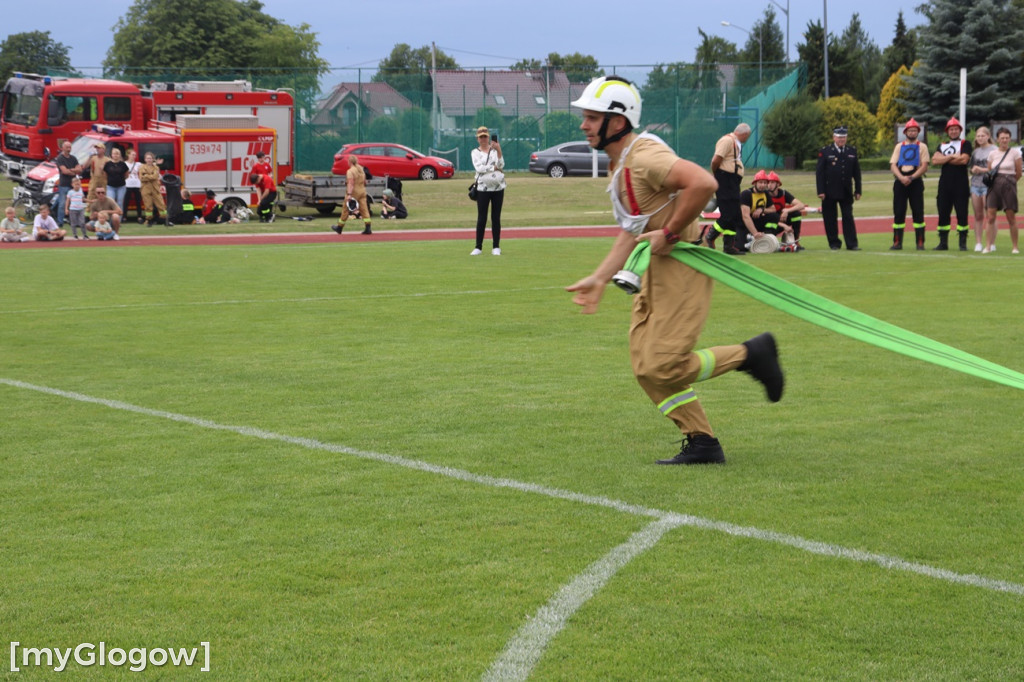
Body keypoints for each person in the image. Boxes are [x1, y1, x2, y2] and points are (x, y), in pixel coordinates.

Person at [565, 75, 784, 466]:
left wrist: (667, 232)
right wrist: (599, 278)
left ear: (616, 122)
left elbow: (702, 182)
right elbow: (632, 228)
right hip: (656, 269)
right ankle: (702, 442)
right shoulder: (623, 162)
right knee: (646, 368)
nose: (583, 124)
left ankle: (752, 354)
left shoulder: (644, 157)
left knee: (662, 364)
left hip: (681, 267)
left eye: (591, 117)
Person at [705, 123, 750, 255]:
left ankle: (728, 246)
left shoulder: (735, 142)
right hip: (725, 179)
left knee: (735, 213)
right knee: (727, 214)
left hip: (732, 181)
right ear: (745, 134)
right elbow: (715, 160)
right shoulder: (726, 141)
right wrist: (716, 175)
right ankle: (710, 236)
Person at [815, 126, 862, 250]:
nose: (842, 140)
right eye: (839, 137)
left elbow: (856, 173)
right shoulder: (825, 151)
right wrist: (820, 191)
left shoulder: (851, 151)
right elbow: (819, 173)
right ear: (834, 137)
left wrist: (858, 190)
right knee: (830, 218)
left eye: (844, 137)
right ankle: (834, 243)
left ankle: (852, 244)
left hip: (846, 190)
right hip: (829, 191)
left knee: (848, 217)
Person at [930, 116, 972, 251]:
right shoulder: (942, 145)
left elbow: (963, 160)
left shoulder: (965, 144)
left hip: (960, 184)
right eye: (951, 129)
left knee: (962, 213)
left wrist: (944, 159)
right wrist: (952, 156)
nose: (953, 131)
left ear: (959, 130)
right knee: (943, 213)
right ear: (947, 131)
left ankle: (962, 242)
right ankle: (943, 242)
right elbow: (935, 161)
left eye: (956, 129)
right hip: (945, 184)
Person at [889, 118, 930, 250]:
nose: (912, 133)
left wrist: (911, 178)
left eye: (914, 130)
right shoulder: (899, 146)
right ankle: (897, 241)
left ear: (918, 132)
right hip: (900, 181)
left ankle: (920, 242)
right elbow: (893, 164)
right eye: (910, 130)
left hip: (916, 181)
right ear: (905, 132)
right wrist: (901, 177)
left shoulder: (922, 146)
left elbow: (924, 166)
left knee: (918, 211)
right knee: (899, 211)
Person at [983, 127, 1022, 254]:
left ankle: (1015, 247)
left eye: (1006, 138)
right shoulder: (992, 154)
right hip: (994, 185)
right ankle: (988, 246)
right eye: (1002, 138)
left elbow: (1018, 172)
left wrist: (1009, 182)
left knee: (1011, 216)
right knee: (990, 216)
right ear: (997, 139)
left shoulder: (1015, 153)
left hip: (1009, 184)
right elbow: (990, 171)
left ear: (1010, 139)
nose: (1004, 140)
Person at [471, 126, 505, 255]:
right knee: (482, 217)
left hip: (498, 187)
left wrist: (499, 150)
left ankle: (496, 246)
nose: (483, 139)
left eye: (485, 136)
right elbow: (479, 168)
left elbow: (501, 165)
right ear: (478, 139)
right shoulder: (475, 152)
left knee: (496, 217)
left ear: (488, 137)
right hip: (482, 188)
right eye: (481, 137)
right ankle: (478, 247)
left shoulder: (495, 150)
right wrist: (493, 168)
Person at [968, 127, 995, 252]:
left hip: (988, 185)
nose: (980, 138)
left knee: (990, 215)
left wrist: (982, 170)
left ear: (988, 136)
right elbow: (971, 166)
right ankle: (978, 242)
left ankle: (991, 242)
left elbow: (995, 169)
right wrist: (973, 170)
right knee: (978, 215)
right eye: (978, 136)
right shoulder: (976, 152)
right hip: (975, 184)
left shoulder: (994, 150)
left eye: (982, 136)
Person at [332, 155, 371, 234]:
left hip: (354, 192)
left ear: (349, 162)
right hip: (362, 191)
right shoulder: (361, 169)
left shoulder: (350, 171)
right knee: (364, 209)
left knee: (345, 209)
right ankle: (368, 228)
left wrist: (349, 194)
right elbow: (365, 182)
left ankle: (339, 227)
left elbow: (351, 183)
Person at [767, 171, 805, 249]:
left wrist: (787, 211)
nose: (769, 185)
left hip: (782, 219)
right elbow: (764, 217)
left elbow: (801, 205)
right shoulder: (764, 195)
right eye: (768, 182)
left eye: (772, 182)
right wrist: (783, 225)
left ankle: (795, 241)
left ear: (778, 184)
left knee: (796, 214)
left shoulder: (783, 193)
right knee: (769, 243)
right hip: (770, 223)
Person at [54, 140, 83, 227]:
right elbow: (64, 171)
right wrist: (74, 171)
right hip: (63, 184)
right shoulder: (60, 158)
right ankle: (60, 222)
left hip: (72, 185)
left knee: (73, 203)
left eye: (70, 147)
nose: (68, 149)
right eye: (67, 147)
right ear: (62, 148)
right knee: (62, 204)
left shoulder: (73, 158)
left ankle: (73, 221)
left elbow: (80, 169)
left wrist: (71, 170)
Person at [140, 151, 166, 227]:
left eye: (150, 158)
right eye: (147, 158)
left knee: (161, 204)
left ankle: (165, 220)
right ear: (145, 159)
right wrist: (151, 176)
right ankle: (149, 220)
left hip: (155, 188)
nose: (149, 160)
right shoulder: (142, 167)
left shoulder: (156, 167)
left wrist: (147, 175)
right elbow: (141, 178)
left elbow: (155, 177)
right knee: (148, 205)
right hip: (145, 188)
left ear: (153, 159)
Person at [103, 147, 129, 212]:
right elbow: (105, 174)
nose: (116, 155)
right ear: (111, 155)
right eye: (114, 154)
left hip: (121, 186)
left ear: (119, 155)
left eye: (117, 154)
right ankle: (111, 219)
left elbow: (126, 174)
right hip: (110, 186)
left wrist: (121, 179)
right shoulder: (108, 164)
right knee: (111, 202)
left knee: (120, 202)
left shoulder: (123, 164)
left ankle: (119, 219)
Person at [124, 149, 145, 223]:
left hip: (137, 184)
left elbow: (147, 165)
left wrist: (155, 163)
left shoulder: (138, 164)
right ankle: (124, 216)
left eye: (135, 155)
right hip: (127, 184)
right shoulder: (124, 163)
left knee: (138, 201)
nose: (134, 156)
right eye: (132, 155)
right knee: (126, 201)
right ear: (128, 155)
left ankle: (139, 216)